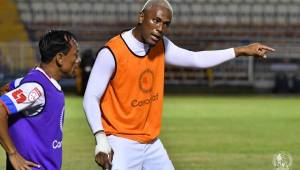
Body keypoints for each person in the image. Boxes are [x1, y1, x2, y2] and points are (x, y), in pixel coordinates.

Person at [83, 0, 275, 169]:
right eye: (156, 20)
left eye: (166, 24)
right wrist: (101, 139)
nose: (160, 28)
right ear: (141, 17)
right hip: (120, 141)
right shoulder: (112, 52)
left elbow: (195, 59)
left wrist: (241, 50)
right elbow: (91, 97)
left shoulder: (161, 45)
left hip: (151, 143)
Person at [0, 30, 80, 170]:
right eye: (75, 55)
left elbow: (6, 89)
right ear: (60, 58)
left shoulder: (37, 81)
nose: (78, 60)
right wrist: (12, 153)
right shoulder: (36, 88)